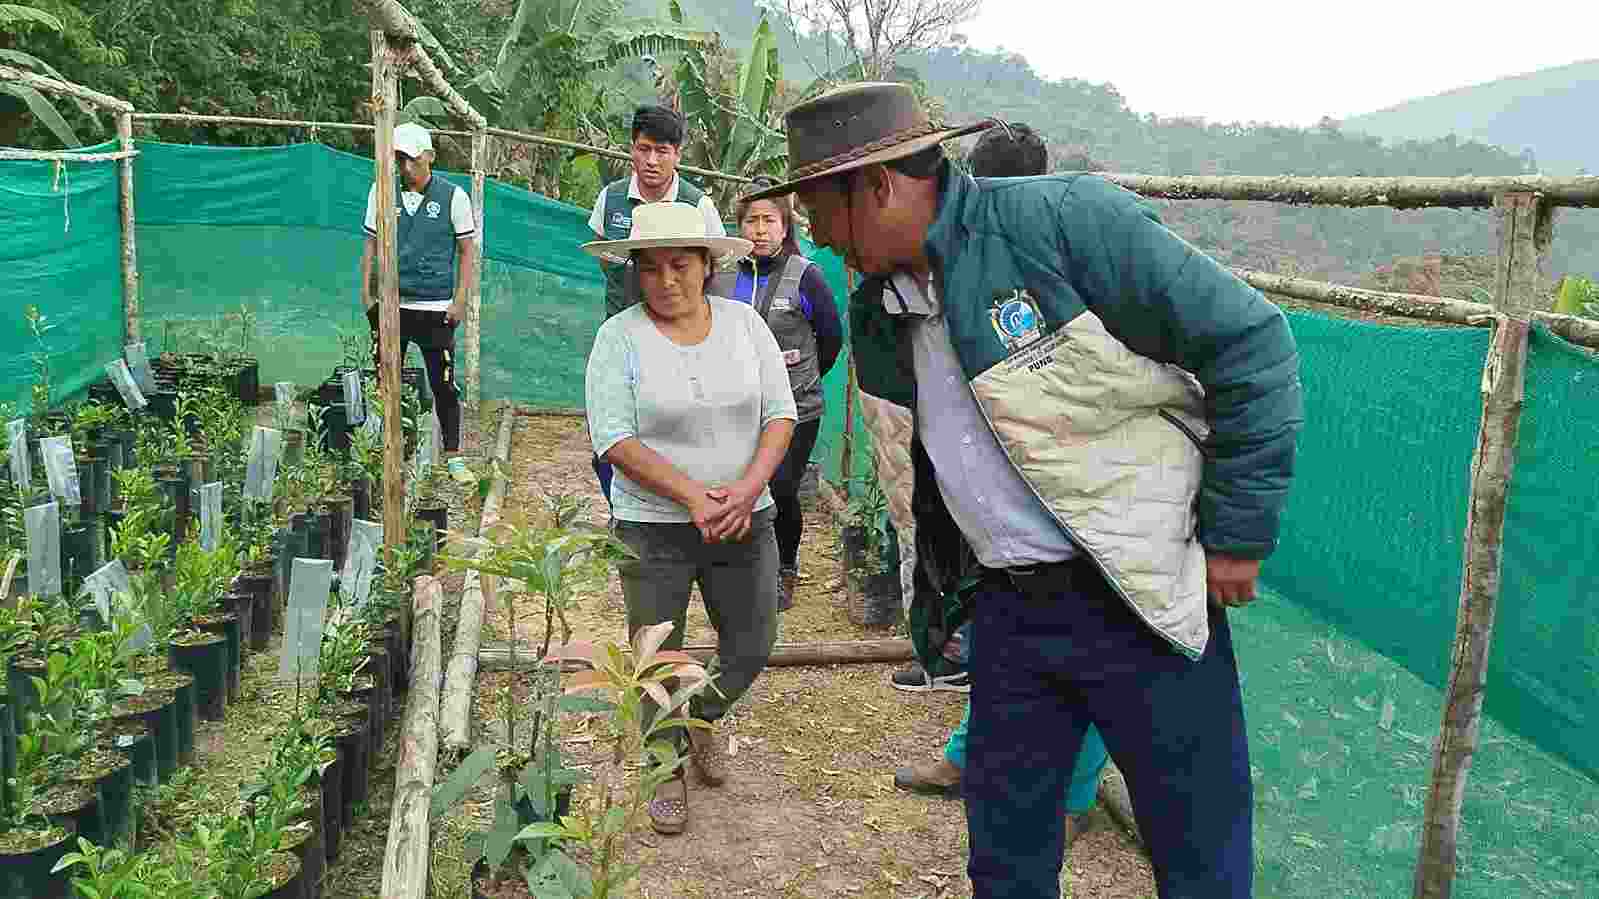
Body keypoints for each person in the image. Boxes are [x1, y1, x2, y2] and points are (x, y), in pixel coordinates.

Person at [749, 83, 1303, 898]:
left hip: (1137, 591)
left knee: (1196, 842)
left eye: (818, 209)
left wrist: (1237, 533)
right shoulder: (882, 307)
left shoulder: (1061, 223)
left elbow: (1253, 342)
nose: (821, 236)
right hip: (1011, 606)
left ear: (875, 187)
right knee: (1005, 845)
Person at [888, 122, 1111, 853]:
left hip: (1075, 490)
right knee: (998, 632)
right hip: (999, 491)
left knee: (1090, 655)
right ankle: (966, 753)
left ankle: (1074, 796)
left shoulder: (1072, 251)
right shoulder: (964, 260)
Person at [582, 201, 795, 836]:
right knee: (658, 656)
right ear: (634, 273)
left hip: (745, 520)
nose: (667, 280)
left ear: (708, 265)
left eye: (681, 264)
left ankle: (698, 718)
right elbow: (615, 439)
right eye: (650, 269)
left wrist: (746, 489)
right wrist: (695, 498)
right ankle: (664, 763)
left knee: (753, 644)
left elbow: (779, 414)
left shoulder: (744, 325)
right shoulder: (618, 337)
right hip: (653, 526)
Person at [708, 175, 844, 611]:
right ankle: (743, 566)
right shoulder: (722, 279)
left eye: (769, 220)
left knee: (782, 488)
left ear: (786, 227)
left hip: (797, 410)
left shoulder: (808, 278)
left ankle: (784, 568)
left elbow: (830, 339)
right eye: (751, 221)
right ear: (739, 227)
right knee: (741, 485)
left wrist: (799, 379)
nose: (760, 230)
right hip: (737, 408)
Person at [587, 105, 727, 509]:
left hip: (681, 341)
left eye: (662, 151)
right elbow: (606, 257)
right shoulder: (611, 199)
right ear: (631, 149)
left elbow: (713, 272)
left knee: (672, 423)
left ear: (678, 154)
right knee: (613, 430)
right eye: (643, 149)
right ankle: (623, 508)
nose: (651, 161)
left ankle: (684, 503)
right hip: (622, 337)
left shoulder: (698, 206)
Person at [360, 122, 477, 470]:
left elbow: (466, 251)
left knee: (443, 383)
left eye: (411, 159)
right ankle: (386, 448)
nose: (405, 167)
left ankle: (454, 455)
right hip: (392, 306)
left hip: (436, 307)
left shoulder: (454, 197)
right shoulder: (380, 192)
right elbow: (370, 243)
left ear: (429, 157)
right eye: (399, 159)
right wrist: (366, 295)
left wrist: (460, 299)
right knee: (385, 378)